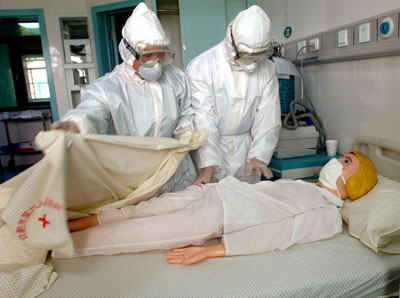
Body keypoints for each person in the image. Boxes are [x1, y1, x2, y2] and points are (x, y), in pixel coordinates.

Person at [53, 151, 377, 264]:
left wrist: (210, 251)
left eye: (345, 161)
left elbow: (279, 233)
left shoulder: (329, 217)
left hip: (217, 215)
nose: (335, 161)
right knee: (135, 211)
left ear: (354, 182)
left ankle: (52, 245)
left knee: (133, 234)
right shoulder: (309, 187)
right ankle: (65, 226)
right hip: (212, 194)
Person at [51, 3, 196, 192]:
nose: (157, 64)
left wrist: (186, 136)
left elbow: (185, 113)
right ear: (128, 52)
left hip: (176, 168)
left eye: (161, 55)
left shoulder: (176, 78)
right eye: (148, 56)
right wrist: (75, 125)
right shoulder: (109, 88)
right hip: (136, 172)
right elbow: (91, 111)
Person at [185, 5, 281, 185]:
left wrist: (259, 156)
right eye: (247, 55)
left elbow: (269, 117)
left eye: (259, 56)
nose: (253, 63)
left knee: (248, 205)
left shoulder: (267, 69)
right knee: (214, 205)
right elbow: (203, 119)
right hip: (213, 147)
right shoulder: (202, 67)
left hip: (247, 150)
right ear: (233, 43)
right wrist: (209, 165)